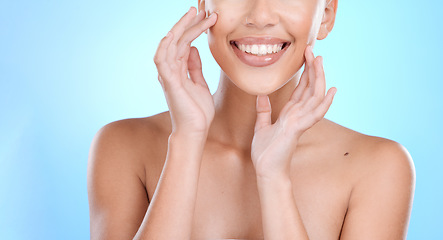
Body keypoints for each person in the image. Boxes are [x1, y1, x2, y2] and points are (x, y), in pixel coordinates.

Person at [87, 0, 416, 239]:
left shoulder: (378, 167)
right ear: (204, 6)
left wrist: (274, 181)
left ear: (326, 14)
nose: (260, 16)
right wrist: (186, 141)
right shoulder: (123, 146)